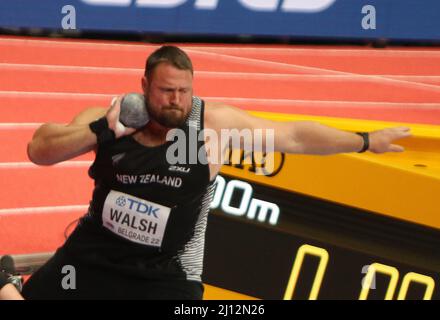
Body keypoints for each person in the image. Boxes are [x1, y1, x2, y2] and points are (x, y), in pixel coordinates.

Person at [22, 45, 411, 299]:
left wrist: (364, 140)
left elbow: (293, 136)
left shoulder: (211, 126)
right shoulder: (113, 117)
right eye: (166, 91)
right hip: (92, 257)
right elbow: (40, 151)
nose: (176, 101)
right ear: (144, 86)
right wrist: (102, 130)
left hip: (167, 275)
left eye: (184, 91)